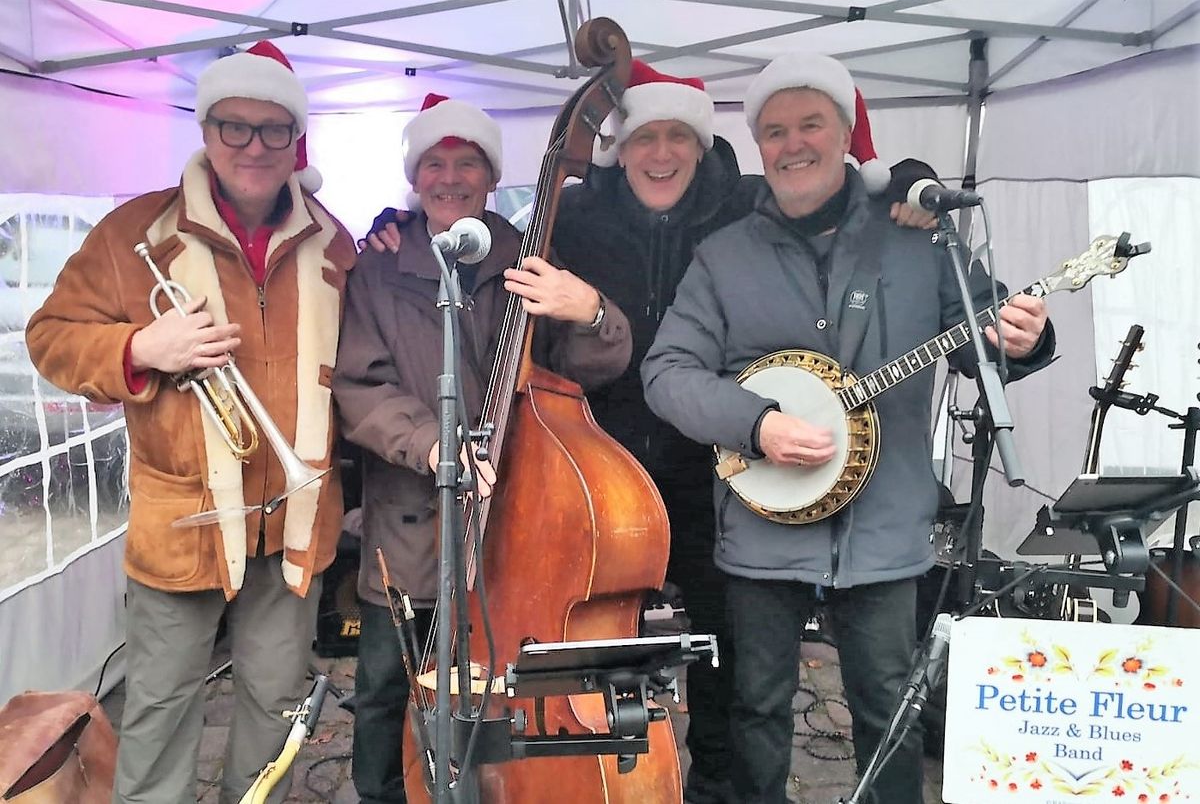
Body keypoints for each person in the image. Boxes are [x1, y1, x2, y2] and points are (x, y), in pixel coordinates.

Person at [364, 60, 937, 804]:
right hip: (592, 463)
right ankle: (595, 770)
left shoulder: (747, 204)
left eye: (677, 137)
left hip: (719, 466)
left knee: (729, 658)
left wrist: (909, 181)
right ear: (616, 148)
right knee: (591, 641)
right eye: (643, 138)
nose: (660, 154)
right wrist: (392, 224)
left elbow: (841, 191)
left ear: (702, 146)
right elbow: (501, 255)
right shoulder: (570, 214)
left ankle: (718, 787)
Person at [640, 52, 1054, 804]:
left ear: (844, 133)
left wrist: (1021, 338)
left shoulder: (919, 240)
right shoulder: (724, 256)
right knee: (755, 712)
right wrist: (756, 423)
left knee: (889, 710)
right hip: (764, 529)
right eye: (774, 131)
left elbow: (980, 338)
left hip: (884, 532)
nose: (792, 144)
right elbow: (667, 372)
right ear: (758, 146)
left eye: (810, 124)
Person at [25, 41, 355, 803]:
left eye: (274, 130)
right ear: (205, 130)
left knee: (273, 708)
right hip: (184, 523)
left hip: (296, 519)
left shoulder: (334, 239)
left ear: (295, 141)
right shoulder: (132, 231)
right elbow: (49, 336)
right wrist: (141, 345)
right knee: (162, 710)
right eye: (233, 126)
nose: (253, 146)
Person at [330, 93, 633, 804]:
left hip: (514, 521)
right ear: (415, 174)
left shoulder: (530, 259)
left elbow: (592, 367)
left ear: (491, 175)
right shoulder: (379, 267)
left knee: (502, 686)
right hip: (409, 528)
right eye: (434, 161)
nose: (450, 176)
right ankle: (384, 794)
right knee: (383, 687)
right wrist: (434, 444)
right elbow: (359, 386)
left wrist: (589, 310)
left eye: (467, 161)